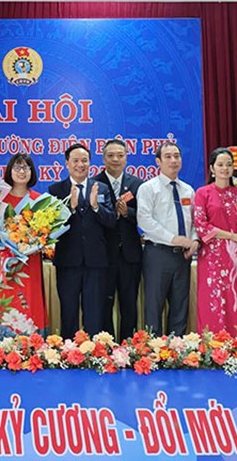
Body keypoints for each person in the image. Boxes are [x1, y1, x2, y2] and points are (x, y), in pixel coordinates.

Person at [48, 143, 115, 339]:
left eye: (84, 160)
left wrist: (96, 207)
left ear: (90, 163)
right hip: (68, 261)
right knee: (68, 311)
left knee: (94, 312)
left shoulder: (100, 187)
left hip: (96, 261)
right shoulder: (56, 189)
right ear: (67, 164)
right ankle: (69, 353)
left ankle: (92, 353)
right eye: (75, 161)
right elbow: (51, 228)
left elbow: (111, 221)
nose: (80, 165)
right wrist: (71, 208)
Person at [193, 147, 237, 336]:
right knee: (212, 302)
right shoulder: (203, 193)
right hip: (211, 258)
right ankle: (212, 348)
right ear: (212, 168)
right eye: (220, 165)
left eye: (229, 165)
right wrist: (232, 236)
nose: (225, 168)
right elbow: (202, 226)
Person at [137, 142, 199, 336]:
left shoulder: (188, 189)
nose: (173, 160)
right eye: (168, 157)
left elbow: (196, 220)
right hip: (158, 253)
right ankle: (154, 352)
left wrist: (195, 240)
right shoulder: (148, 188)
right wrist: (175, 239)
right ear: (158, 161)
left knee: (180, 305)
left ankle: (176, 350)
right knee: (154, 307)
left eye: (177, 156)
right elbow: (145, 221)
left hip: (183, 256)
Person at [0, 153, 48, 336]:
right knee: (9, 301)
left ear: (32, 172)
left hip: (30, 262)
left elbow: (46, 233)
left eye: (26, 167)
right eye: (17, 167)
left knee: (31, 300)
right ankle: (6, 349)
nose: (21, 172)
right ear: (9, 171)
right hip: (5, 264)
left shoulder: (40, 200)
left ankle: (35, 346)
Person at [93, 139, 143, 340]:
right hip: (103, 255)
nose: (115, 159)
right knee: (104, 303)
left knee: (129, 303)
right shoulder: (94, 184)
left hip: (130, 255)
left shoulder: (137, 184)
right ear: (104, 158)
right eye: (111, 155)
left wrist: (127, 213)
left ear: (126, 158)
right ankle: (107, 346)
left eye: (120, 155)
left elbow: (145, 216)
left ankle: (128, 346)